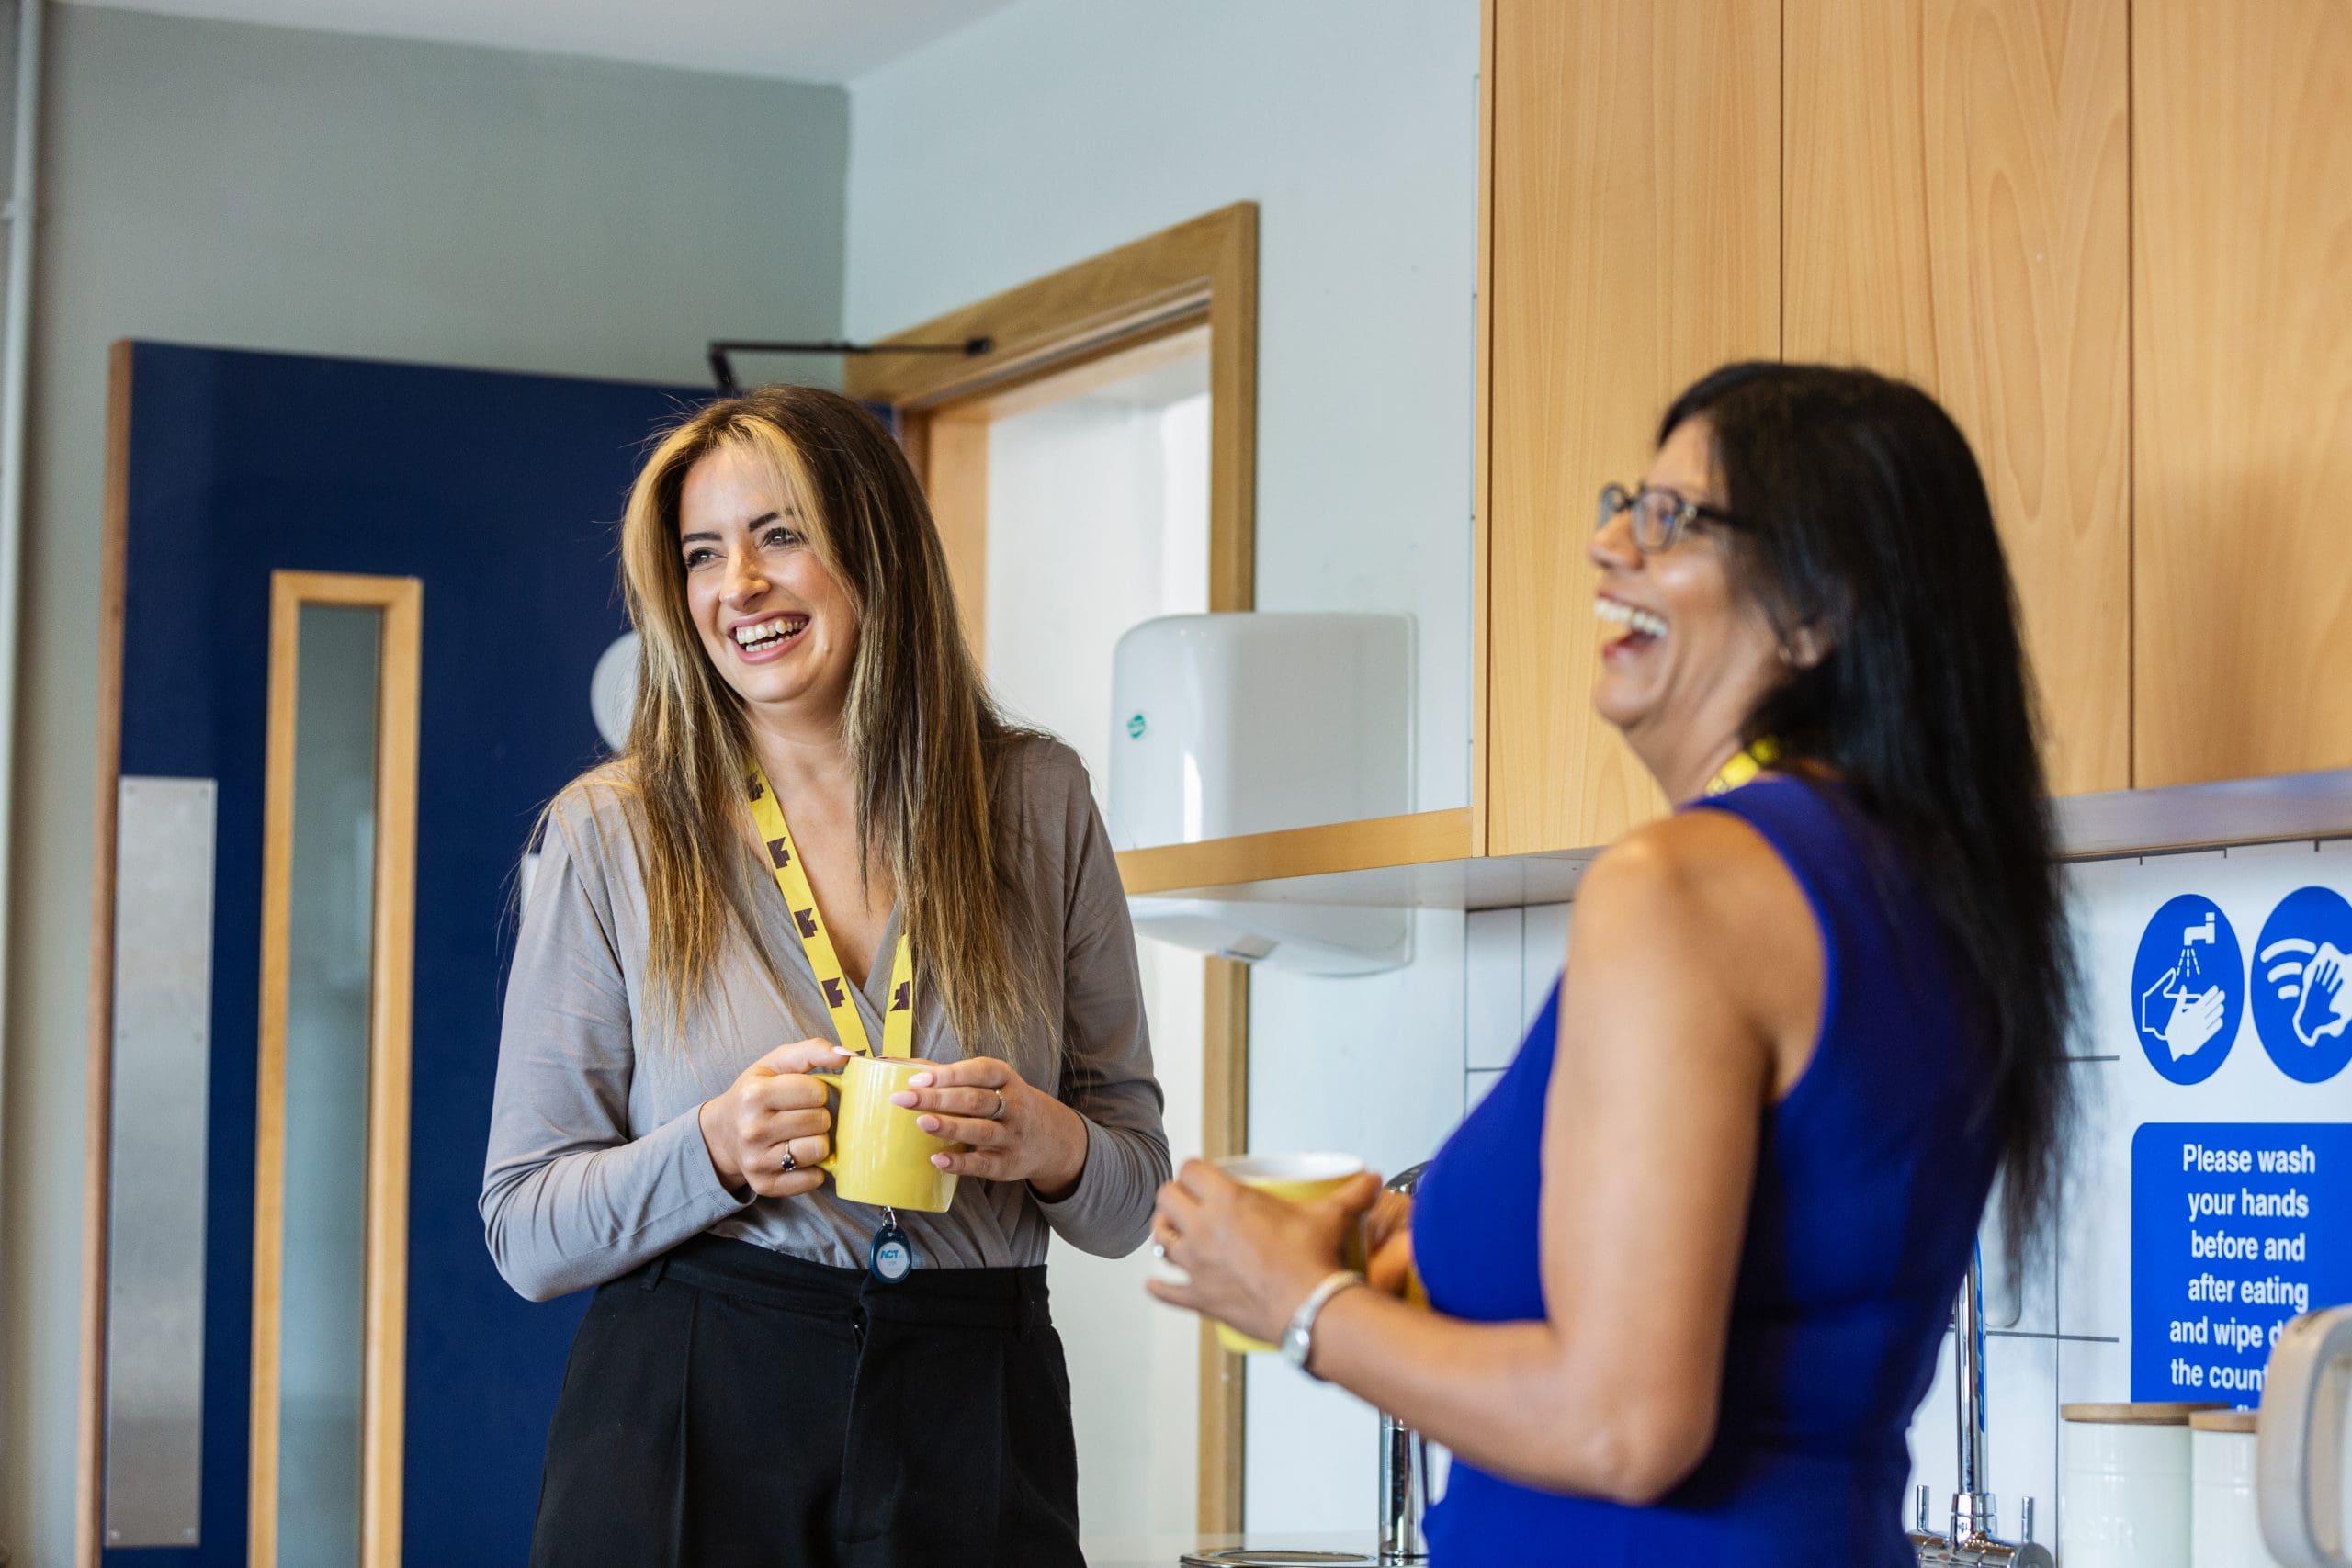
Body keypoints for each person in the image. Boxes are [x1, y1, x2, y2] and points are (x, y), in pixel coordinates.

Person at [1148, 363, 2076, 1566]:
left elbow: (1626, 1425)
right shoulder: (1929, 889)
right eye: (1625, 504)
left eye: (1673, 521)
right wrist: (1404, 1261)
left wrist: (1304, 1309)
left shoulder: (1682, 889)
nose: (1606, 547)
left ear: (1815, 613)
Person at [481, 384, 1168, 1568]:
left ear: (879, 552)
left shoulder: (1038, 800)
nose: (736, 585)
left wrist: (1044, 1140)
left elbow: (1135, 1196)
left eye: (780, 535)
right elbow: (527, 1232)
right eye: (704, 554)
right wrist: (712, 1151)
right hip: (697, 1404)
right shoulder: (611, 834)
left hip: (977, 1403)